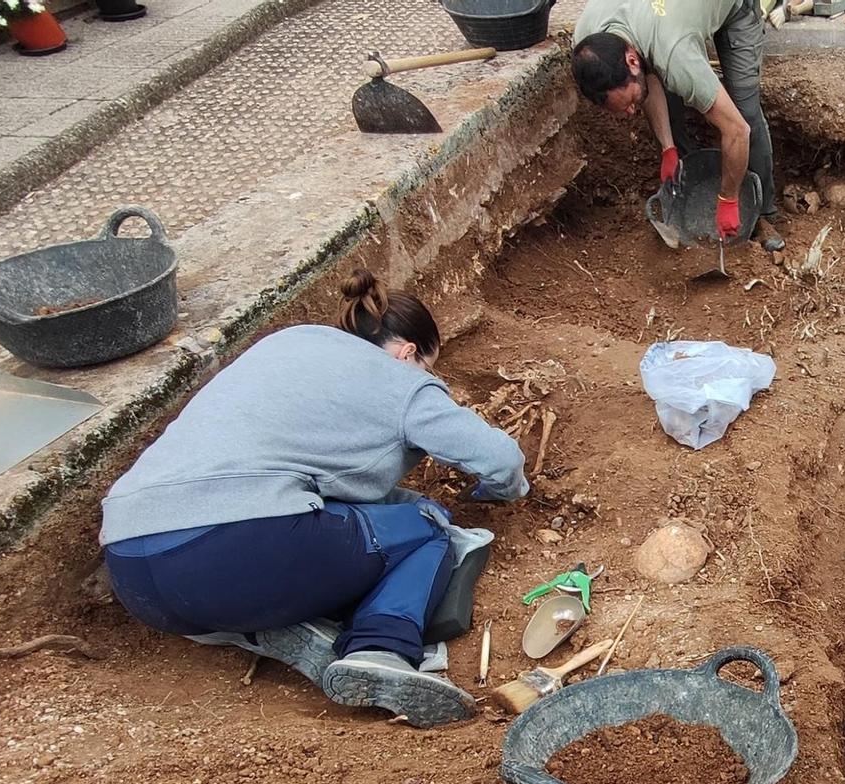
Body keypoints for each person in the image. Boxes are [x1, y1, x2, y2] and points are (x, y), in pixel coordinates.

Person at [99, 271, 527, 727]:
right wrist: (498, 493)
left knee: (321, 526)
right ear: (408, 354)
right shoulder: (402, 384)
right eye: (429, 366)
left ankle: (259, 622)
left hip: (134, 572)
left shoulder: (287, 344)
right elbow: (501, 462)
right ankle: (380, 649)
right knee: (428, 526)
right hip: (233, 552)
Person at [569, 0, 783, 250]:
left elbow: (737, 131)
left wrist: (729, 199)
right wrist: (667, 148)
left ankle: (765, 214)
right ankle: (688, 188)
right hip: (667, 21)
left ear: (632, 61)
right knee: (666, 98)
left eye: (631, 102)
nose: (630, 112)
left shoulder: (675, 54)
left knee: (745, 115)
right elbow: (647, 75)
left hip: (734, 10)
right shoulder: (587, 43)